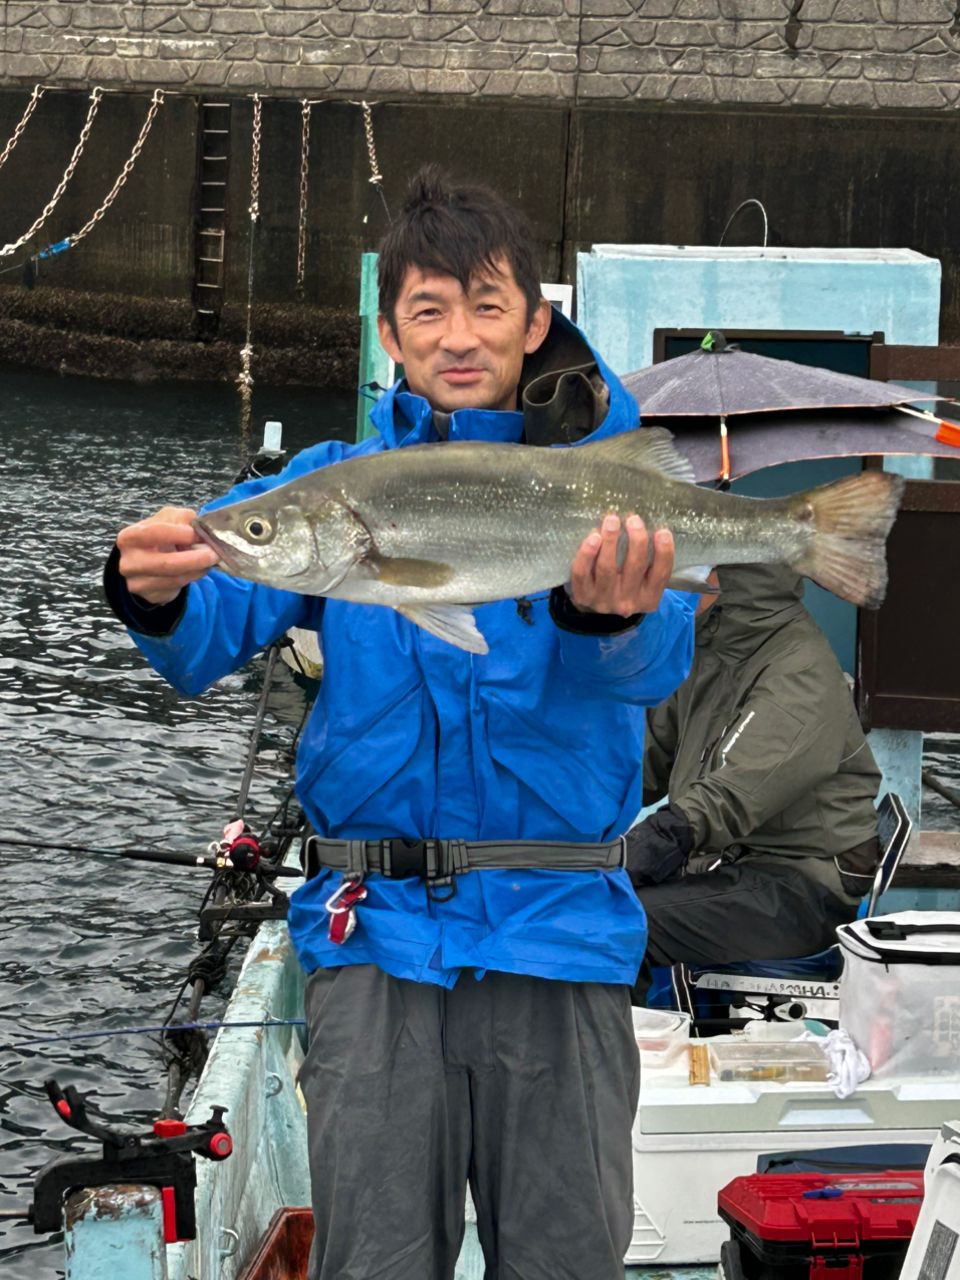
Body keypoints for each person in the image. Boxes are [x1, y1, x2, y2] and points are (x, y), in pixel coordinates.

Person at [104, 166, 696, 1280]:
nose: (458, 335)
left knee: (568, 1257)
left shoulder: (594, 487)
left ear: (534, 322)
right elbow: (212, 626)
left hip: (558, 926)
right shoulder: (332, 487)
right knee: (372, 1258)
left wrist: (598, 612)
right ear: (391, 332)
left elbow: (655, 663)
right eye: (429, 308)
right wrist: (155, 592)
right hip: (371, 937)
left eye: (485, 305)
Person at [625, 562, 882, 1005]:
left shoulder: (799, 668)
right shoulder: (709, 649)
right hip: (734, 865)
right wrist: (574, 810)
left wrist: (650, 842)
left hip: (801, 888)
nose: (669, 585)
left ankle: (620, 1062)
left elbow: (732, 794)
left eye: (687, 572)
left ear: (728, 583)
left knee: (622, 923)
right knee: (592, 894)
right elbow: (646, 757)